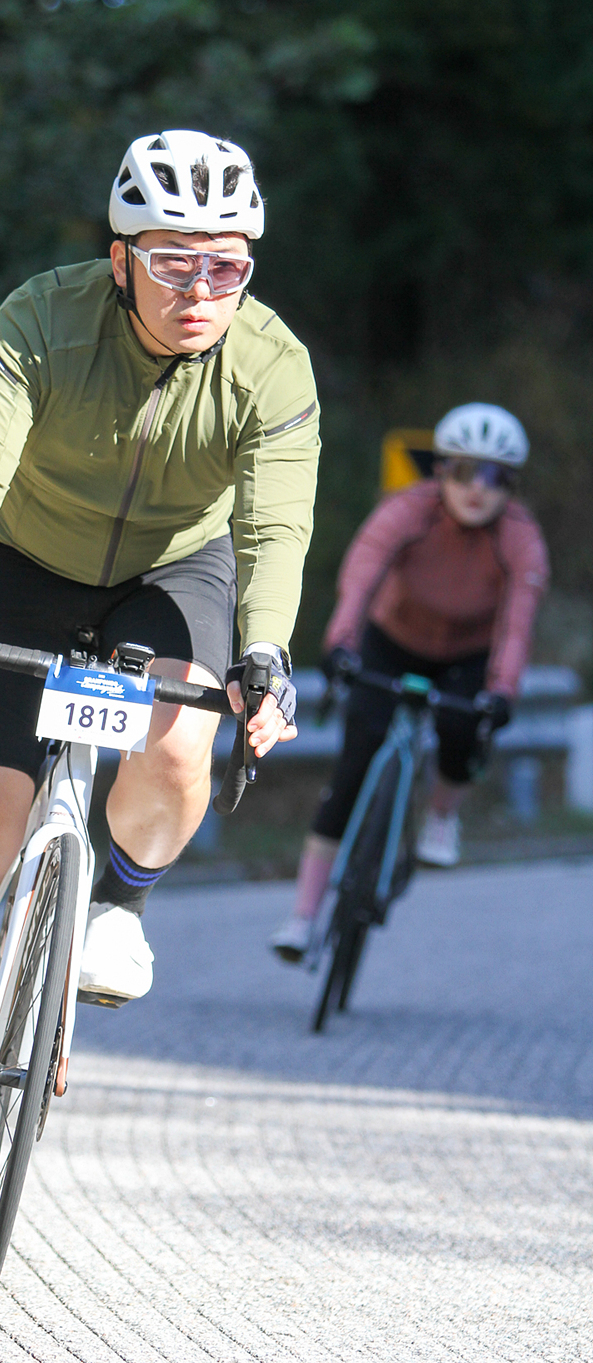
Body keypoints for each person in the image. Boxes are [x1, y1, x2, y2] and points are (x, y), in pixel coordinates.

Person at [0, 129, 321, 1207]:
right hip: (24, 565)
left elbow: (275, 528)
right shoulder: (39, 320)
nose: (200, 289)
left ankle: (119, 901)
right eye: (172, 261)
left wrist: (264, 651)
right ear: (120, 260)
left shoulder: (271, 364)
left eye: (226, 266)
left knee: (179, 741)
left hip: (175, 571)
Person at [271, 402, 549, 962]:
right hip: (392, 640)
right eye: (464, 471)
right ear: (440, 471)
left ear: (511, 487)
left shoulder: (520, 539)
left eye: (495, 477)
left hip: (466, 653)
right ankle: (302, 917)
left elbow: (517, 624)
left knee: (462, 729)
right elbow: (361, 576)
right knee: (353, 767)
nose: (478, 489)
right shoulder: (406, 510)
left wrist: (503, 689)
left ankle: (441, 817)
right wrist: (341, 644)